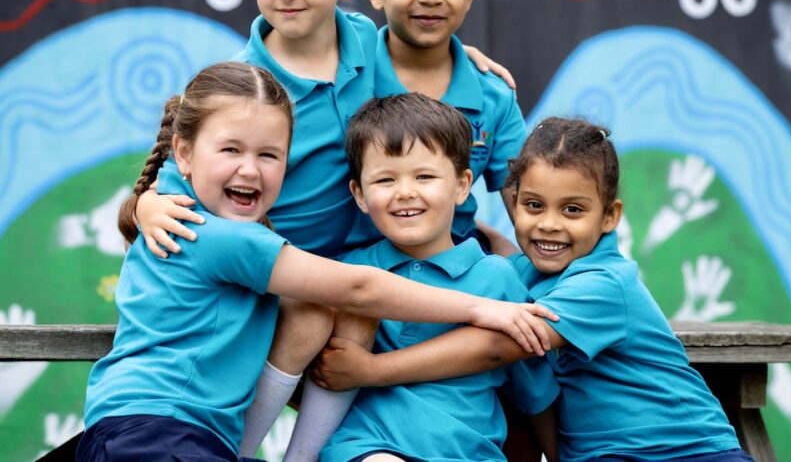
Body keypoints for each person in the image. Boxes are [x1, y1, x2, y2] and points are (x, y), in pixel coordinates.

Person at [125, 0, 517, 460]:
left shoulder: (365, 43)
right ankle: (242, 451)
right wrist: (144, 205)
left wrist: (463, 56)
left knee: (362, 317)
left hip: (362, 269)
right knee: (318, 313)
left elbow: (420, 46)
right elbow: (180, 169)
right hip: (283, 275)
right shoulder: (247, 86)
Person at [77, 63, 554, 462]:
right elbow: (358, 289)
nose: (249, 168)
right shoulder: (213, 233)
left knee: (313, 311)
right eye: (231, 150)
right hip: (156, 432)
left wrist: (453, 52)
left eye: (269, 155)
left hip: (165, 432)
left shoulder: (178, 212)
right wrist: (477, 307)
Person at [312, 117, 756, 462]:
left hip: (685, 449)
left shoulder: (604, 283)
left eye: (573, 210)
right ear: (513, 202)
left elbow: (498, 346)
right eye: (533, 205)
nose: (549, 224)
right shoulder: (516, 274)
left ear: (610, 216)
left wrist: (371, 371)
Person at [317, 93, 559, 462]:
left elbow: (536, 391)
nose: (405, 192)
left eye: (425, 176)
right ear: (360, 194)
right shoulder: (349, 274)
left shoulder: (498, 279)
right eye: (385, 179)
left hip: (471, 454)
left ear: (462, 185)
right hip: (370, 447)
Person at [346, 0, 526, 250]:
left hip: (458, 273)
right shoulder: (344, 70)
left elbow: (531, 208)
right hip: (356, 273)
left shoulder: (494, 95)